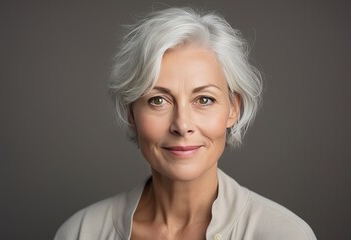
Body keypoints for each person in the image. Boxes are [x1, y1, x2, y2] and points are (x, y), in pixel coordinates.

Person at [55, 7, 316, 240]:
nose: (182, 125)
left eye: (204, 99)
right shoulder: (80, 232)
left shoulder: (285, 234)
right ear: (131, 112)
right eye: (158, 100)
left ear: (233, 108)